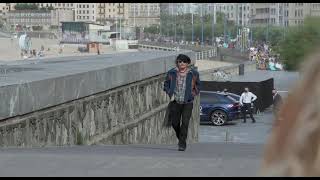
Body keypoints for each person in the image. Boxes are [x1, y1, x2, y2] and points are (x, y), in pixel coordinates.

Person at [163, 54, 200, 151]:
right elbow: (166, 84)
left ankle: (182, 144)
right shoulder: (172, 73)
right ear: (177, 63)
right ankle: (181, 139)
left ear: (188, 63)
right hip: (175, 101)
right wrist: (169, 92)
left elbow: (198, 86)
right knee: (175, 123)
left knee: (185, 122)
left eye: (184, 61)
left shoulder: (193, 73)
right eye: (180, 61)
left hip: (188, 102)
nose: (182, 63)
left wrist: (193, 94)